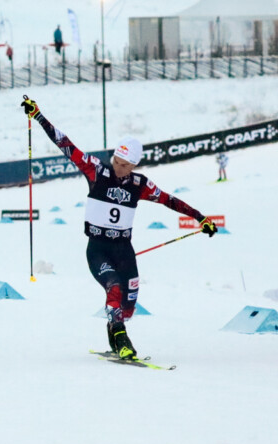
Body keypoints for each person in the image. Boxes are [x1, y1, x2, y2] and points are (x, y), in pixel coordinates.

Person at [22, 97, 218, 359]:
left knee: (128, 305)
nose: (119, 168)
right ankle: (120, 336)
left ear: (134, 165)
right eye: (117, 161)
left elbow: (169, 200)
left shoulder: (140, 184)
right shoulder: (96, 171)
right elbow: (66, 145)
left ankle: (116, 326)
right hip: (98, 249)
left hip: (124, 250)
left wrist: (200, 217)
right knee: (113, 287)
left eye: (125, 165)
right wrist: (38, 116)